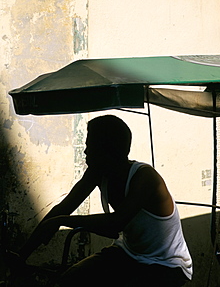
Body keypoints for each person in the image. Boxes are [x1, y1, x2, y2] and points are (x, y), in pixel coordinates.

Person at [16, 115, 192, 286]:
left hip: (167, 265)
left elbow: (114, 225)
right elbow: (64, 207)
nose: (85, 151)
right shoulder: (97, 173)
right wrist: (20, 256)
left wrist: (61, 221)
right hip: (128, 253)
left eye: (89, 146)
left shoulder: (145, 177)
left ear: (107, 151)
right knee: (70, 280)